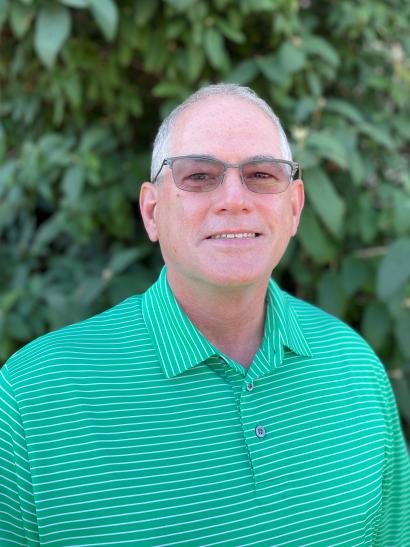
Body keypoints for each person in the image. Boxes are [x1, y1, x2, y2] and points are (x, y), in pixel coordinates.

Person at [0, 83, 409, 547]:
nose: (234, 198)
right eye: (198, 176)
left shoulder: (355, 369)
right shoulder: (34, 395)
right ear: (152, 212)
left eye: (260, 174)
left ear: (293, 209)